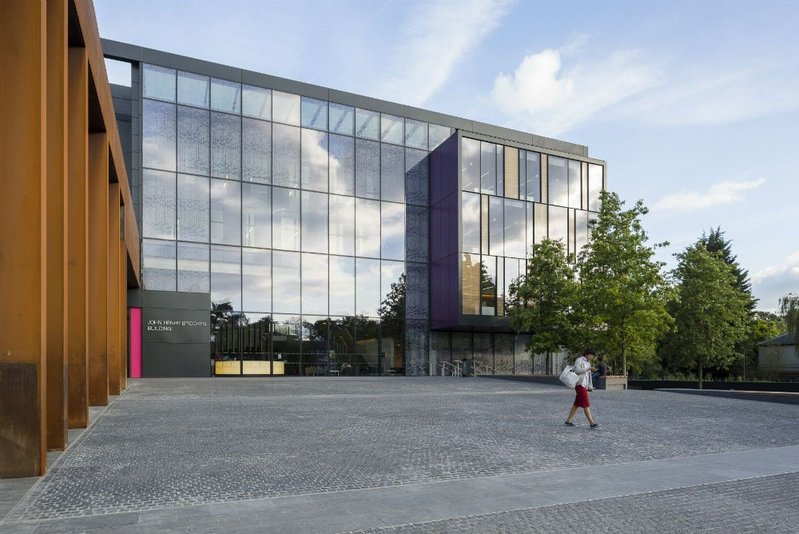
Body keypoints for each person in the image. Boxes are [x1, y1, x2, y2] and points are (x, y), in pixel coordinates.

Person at [565, 348, 600, 428]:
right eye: (592, 355)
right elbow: (577, 370)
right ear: (587, 354)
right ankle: (591, 423)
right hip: (579, 384)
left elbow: (587, 376)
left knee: (576, 404)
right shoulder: (579, 360)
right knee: (586, 404)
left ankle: (568, 420)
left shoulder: (588, 363)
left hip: (584, 385)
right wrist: (588, 369)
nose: (592, 357)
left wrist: (589, 386)